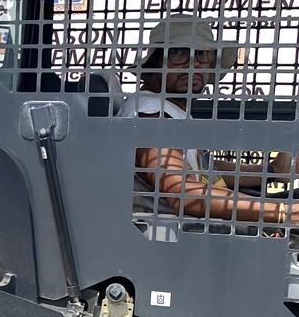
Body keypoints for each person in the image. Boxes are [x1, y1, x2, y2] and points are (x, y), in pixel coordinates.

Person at [122, 16, 299, 228]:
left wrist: (271, 171)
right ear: (154, 62)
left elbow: (204, 171)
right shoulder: (148, 112)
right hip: (167, 244)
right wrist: (283, 212)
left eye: (202, 54)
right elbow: (182, 191)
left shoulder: (173, 111)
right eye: (179, 52)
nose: (193, 63)